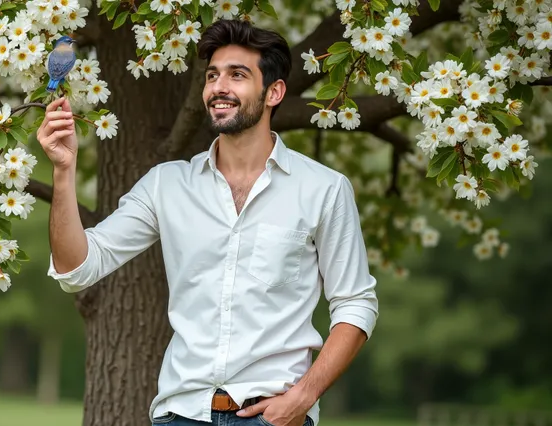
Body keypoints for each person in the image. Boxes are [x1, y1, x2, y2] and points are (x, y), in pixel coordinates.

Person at [38, 19, 378, 426]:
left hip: (274, 416)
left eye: (238, 75)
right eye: (213, 76)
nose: (219, 87)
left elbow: (356, 304)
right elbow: (78, 268)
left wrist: (303, 396)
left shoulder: (323, 189)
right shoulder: (167, 184)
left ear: (274, 91)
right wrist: (63, 171)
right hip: (180, 414)